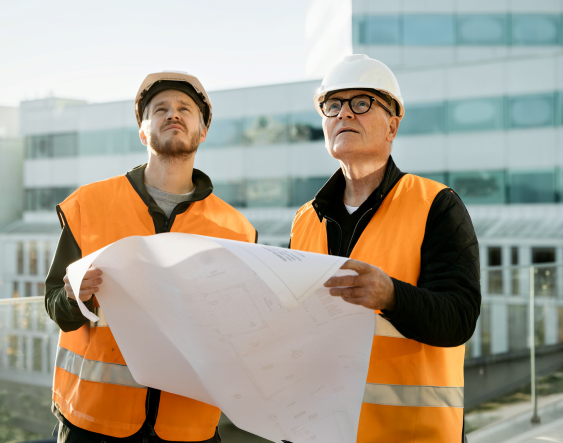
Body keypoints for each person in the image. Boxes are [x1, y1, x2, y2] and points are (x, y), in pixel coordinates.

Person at [44, 71, 257, 442]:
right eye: (160, 109)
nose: (172, 114)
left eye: (184, 109)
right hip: (93, 422)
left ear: (202, 131)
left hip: (189, 427)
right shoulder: (89, 206)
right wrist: (76, 297)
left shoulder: (238, 231)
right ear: (143, 131)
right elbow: (56, 307)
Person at [288, 54, 481, 442]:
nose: (344, 114)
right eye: (333, 105)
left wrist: (391, 296)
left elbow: (460, 317)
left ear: (393, 124)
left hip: (412, 433)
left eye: (361, 103)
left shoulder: (436, 205)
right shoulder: (304, 220)